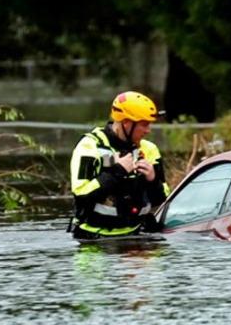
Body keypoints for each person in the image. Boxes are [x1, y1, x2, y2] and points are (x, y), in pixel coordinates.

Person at [68, 91, 170, 239]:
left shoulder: (149, 149)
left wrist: (153, 180)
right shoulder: (89, 147)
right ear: (126, 123)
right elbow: (82, 196)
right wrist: (117, 172)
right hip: (93, 240)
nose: (148, 130)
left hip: (138, 236)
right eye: (144, 124)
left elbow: (161, 200)